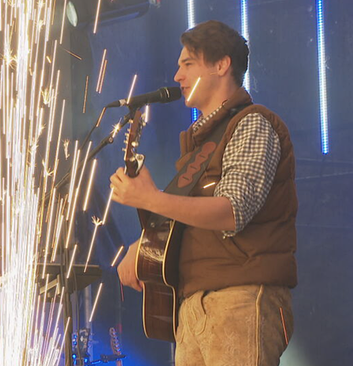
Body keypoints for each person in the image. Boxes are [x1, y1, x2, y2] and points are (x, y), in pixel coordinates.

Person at [110, 20, 297, 366]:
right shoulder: (199, 147)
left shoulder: (252, 123)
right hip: (193, 304)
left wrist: (149, 199)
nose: (177, 75)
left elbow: (231, 210)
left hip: (240, 296)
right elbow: (187, 218)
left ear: (221, 65)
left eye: (187, 64)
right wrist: (144, 246)